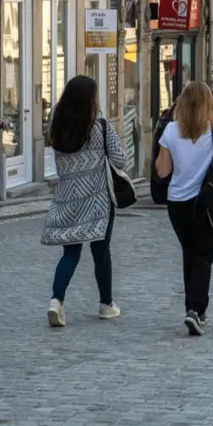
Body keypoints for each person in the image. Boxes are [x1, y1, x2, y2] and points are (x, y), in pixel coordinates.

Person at [41, 75, 125, 328]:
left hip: (68, 198)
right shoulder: (100, 126)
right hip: (98, 200)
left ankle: (56, 301)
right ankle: (106, 304)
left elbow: (58, 164)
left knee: (70, 253)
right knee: (101, 253)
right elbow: (120, 159)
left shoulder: (56, 127)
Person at [155, 81, 213, 336]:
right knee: (204, 254)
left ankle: (195, 308)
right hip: (209, 202)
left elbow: (162, 170)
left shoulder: (170, 131)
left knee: (191, 252)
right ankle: (195, 310)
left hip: (177, 203)